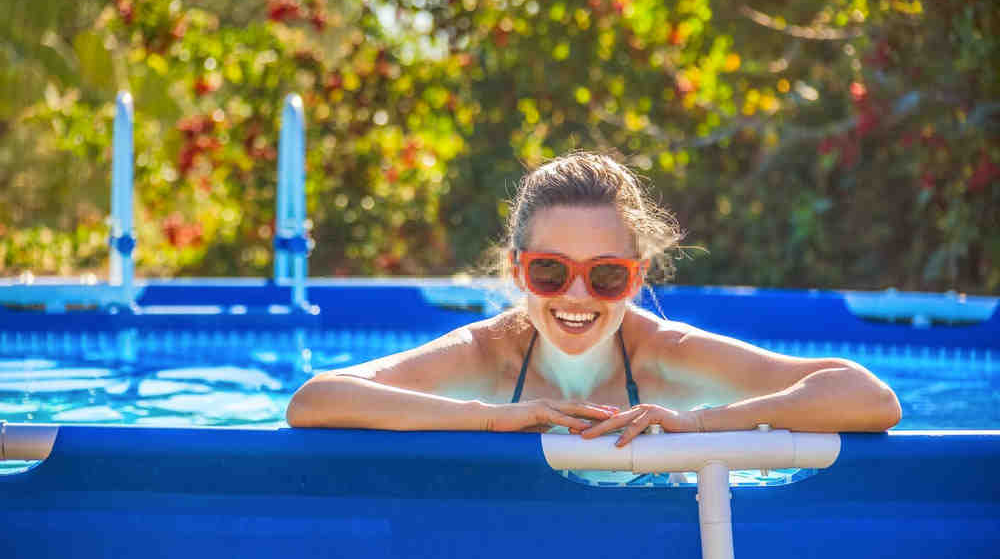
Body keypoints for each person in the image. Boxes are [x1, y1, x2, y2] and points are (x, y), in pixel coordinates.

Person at [286, 151, 901, 444]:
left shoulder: (667, 355)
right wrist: (496, 417)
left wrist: (699, 424)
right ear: (516, 268)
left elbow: (869, 397)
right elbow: (315, 400)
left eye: (605, 274)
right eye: (551, 271)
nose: (577, 296)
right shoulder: (484, 357)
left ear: (637, 276)